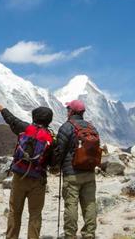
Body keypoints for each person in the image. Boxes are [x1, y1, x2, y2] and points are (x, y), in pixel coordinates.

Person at [0, 103, 54, 239]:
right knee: (35, 214)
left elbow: (12, 120)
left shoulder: (26, 128)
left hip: (19, 176)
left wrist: (2, 109)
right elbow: (53, 162)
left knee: (14, 212)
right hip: (38, 180)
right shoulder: (49, 138)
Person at [54, 100, 99, 239]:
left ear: (72, 111)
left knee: (71, 205)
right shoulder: (92, 128)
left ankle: (70, 234)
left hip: (72, 173)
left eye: (68, 108)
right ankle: (89, 233)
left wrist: (55, 165)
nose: (67, 111)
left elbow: (59, 151)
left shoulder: (66, 127)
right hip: (89, 172)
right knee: (90, 204)